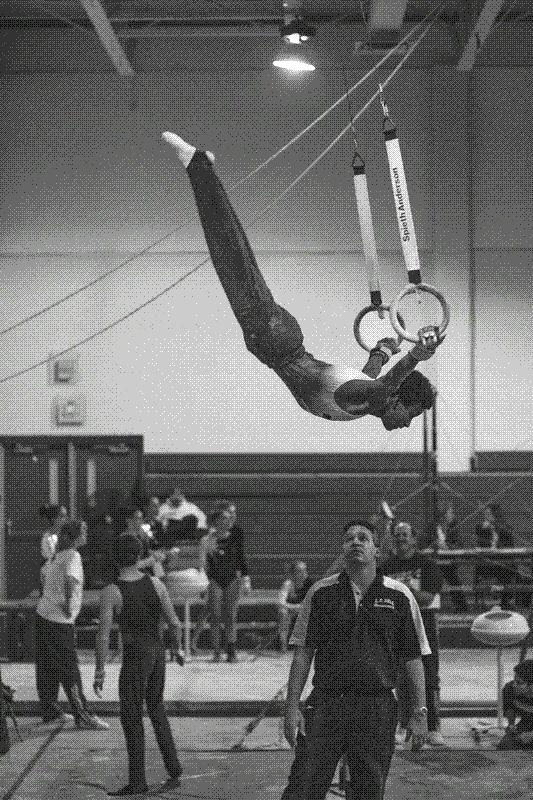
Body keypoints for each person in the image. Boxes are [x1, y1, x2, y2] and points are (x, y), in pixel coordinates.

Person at [161, 132, 445, 431]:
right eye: (411, 416)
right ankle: (197, 165)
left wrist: (384, 350)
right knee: (230, 256)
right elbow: (386, 383)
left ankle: (202, 168)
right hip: (275, 340)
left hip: (274, 344)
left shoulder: (363, 396)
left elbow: (373, 373)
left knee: (234, 256)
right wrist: (417, 354)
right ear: (398, 399)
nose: (406, 425)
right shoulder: (377, 395)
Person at [282, 519, 429, 800]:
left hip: (377, 707)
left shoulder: (399, 595)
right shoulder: (321, 593)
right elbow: (302, 656)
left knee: (367, 793)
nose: (356, 542)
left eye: (363, 538)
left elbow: (413, 659)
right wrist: (291, 706)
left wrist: (420, 712)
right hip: (326, 703)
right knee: (301, 790)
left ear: (376, 550)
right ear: (342, 550)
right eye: (349, 538)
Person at [93, 533, 185, 797]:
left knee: (132, 718)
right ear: (139, 555)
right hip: (157, 654)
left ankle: (137, 781)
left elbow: (103, 636)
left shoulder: (112, 592)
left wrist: (100, 670)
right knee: (157, 710)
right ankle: (174, 767)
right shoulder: (155, 583)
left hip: (135, 657)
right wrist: (177, 649)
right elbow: (175, 624)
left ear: (114, 557)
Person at [35, 519, 109, 730]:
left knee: (47, 667)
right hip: (59, 620)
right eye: (84, 532)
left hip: (43, 615)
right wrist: (68, 607)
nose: (86, 535)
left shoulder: (54, 557)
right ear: (75, 536)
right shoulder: (73, 556)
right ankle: (83, 715)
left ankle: (50, 711)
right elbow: (69, 582)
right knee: (69, 670)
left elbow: (43, 578)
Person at [379, 520, 445, 747]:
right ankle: (404, 724)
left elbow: (428, 597)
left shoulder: (427, 565)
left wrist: (402, 591)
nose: (400, 539)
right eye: (397, 535)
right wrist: (408, 593)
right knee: (399, 677)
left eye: (405, 535)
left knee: (428, 676)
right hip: (395, 627)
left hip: (423, 624)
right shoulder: (386, 567)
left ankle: (433, 725)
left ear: (414, 539)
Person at [202, 501, 251, 663]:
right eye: (221, 519)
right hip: (215, 579)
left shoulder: (235, 538)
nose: (225, 522)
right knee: (215, 616)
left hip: (231, 579)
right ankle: (216, 651)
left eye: (227, 519)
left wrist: (245, 580)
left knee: (230, 616)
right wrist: (205, 583)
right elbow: (204, 564)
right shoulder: (208, 540)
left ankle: (231, 651)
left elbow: (241, 560)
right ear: (215, 521)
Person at [278, 561, 313, 653]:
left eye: (305, 570)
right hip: (290, 612)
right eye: (300, 571)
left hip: (303, 612)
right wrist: (296, 607)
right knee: (283, 612)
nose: (304, 573)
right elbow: (281, 602)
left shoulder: (309, 584)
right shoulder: (288, 584)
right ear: (294, 573)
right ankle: (283, 646)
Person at [497, 659, 533, 750]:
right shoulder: (509, 689)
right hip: (527, 723)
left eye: (519, 683)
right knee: (504, 746)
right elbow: (510, 709)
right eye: (515, 680)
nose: (514, 685)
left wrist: (531, 735)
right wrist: (511, 725)